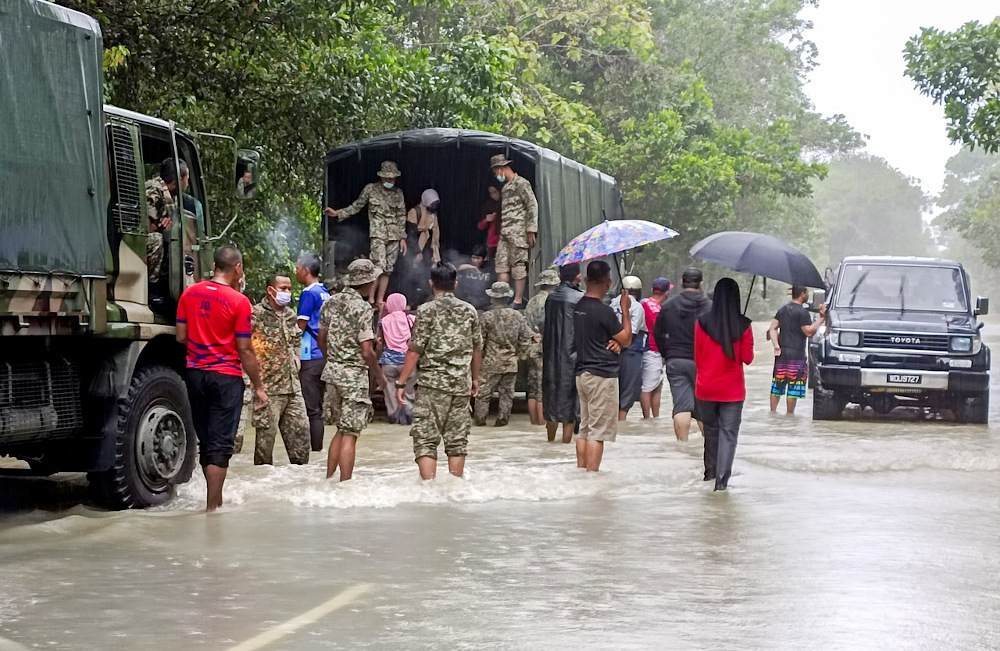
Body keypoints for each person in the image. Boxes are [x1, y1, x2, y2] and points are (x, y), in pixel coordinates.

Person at [176, 246, 267, 512]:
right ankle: (212, 507)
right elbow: (245, 349)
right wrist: (259, 386)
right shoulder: (239, 301)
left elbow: (181, 336)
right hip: (225, 377)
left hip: (194, 374)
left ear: (215, 266)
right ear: (237, 267)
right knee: (221, 443)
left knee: (206, 440)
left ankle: (213, 501)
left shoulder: (189, 293)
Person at [395, 262, 483, 480]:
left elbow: (414, 350)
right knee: (457, 440)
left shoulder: (425, 311)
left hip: (432, 386)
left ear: (431, 283)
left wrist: (401, 383)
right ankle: (454, 487)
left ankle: (429, 491)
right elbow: (477, 348)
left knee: (425, 439)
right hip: (460, 386)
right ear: (455, 283)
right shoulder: (469, 311)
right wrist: (474, 379)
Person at [317, 259, 386, 480]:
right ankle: (345, 485)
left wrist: (333, 360)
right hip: (353, 376)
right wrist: (379, 376)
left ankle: (329, 480)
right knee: (350, 434)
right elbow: (367, 351)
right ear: (368, 282)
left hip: (332, 372)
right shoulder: (363, 308)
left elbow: (322, 338)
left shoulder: (330, 302)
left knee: (340, 429)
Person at [695, 277, 754, 491]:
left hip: (706, 387)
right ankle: (721, 483)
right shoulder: (744, 325)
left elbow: (698, 357)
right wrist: (741, 331)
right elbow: (747, 358)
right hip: (732, 390)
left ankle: (709, 473)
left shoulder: (701, 322)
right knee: (728, 434)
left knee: (711, 431)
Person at [574, 261, 632, 472]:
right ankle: (592, 478)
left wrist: (615, 340)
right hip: (601, 376)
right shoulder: (604, 311)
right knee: (598, 433)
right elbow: (626, 340)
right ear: (609, 283)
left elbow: (604, 335)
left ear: (587, 280)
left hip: (582, 374)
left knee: (585, 429)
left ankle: (582, 472)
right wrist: (625, 309)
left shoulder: (579, 307)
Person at [323, 161, 407, 307]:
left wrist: (402, 237)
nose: (390, 181)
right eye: (387, 178)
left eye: (392, 179)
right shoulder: (371, 189)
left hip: (394, 235)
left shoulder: (398, 193)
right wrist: (338, 213)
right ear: (381, 177)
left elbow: (401, 216)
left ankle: (380, 299)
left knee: (388, 269)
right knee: (377, 266)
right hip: (378, 234)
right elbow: (357, 205)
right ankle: (371, 299)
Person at [250, 273, 311, 466]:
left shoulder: (291, 315)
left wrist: (296, 360)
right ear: (270, 290)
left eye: (289, 289)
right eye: (283, 288)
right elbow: (242, 346)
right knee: (264, 449)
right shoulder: (255, 314)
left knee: (302, 443)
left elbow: (296, 341)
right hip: (268, 389)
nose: (287, 293)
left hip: (293, 389)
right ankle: (263, 488)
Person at [654, 267, 711, 441]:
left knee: (681, 405)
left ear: (681, 283)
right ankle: (708, 447)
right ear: (701, 284)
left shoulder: (669, 305)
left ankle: (682, 447)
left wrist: (667, 353)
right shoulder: (710, 306)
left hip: (676, 359)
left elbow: (657, 332)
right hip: (703, 362)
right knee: (702, 407)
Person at [475, 281, 533, 427]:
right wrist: (521, 355)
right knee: (507, 396)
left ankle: (480, 422)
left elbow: (479, 343)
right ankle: (502, 421)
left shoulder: (486, 317)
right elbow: (526, 337)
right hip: (510, 362)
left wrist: (476, 362)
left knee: (483, 396)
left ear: (493, 298)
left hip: (489, 364)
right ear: (507, 298)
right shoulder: (517, 316)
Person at [768, 285, 827, 414]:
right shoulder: (803, 312)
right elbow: (809, 332)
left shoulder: (782, 309)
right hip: (797, 355)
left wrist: (776, 345)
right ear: (802, 294)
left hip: (782, 353)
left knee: (777, 385)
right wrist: (822, 318)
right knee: (793, 387)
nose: (807, 295)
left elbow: (772, 328)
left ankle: (772, 412)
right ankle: (790, 415)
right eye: (807, 293)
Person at [542, 263, 583, 443]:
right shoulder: (579, 298)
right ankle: (565, 444)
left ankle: (550, 442)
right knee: (570, 402)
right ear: (578, 277)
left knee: (551, 399)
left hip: (551, 355)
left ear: (559, 276)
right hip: (572, 356)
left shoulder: (550, 298)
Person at [490, 154, 538, 307]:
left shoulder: (521, 183)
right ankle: (501, 298)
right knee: (501, 264)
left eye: (496, 172)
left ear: (502, 168)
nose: (496, 176)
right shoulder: (505, 188)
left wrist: (531, 229)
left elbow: (532, 205)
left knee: (518, 265)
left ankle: (517, 300)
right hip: (505, 233)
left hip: (518, 233)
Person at [295, 253, 330, 452]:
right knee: (319, 407)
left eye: (298, 267)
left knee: (312, 410)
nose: (296, 271)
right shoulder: (325, 291)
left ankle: (314, 452)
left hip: (311, 354)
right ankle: (318, 451)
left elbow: (301, 325)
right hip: (324, 354)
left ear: (306, 271)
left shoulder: (308, 293)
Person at [524, 269, 559, 427]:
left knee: (532, 389)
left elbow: (525, 324)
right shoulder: (551, 300)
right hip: (545, 347)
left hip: (531, 347)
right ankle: (541, 425)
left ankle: (533, 424)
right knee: (543, 390)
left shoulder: (532, 301)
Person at [146, 158, 188, 290]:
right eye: (187, 178)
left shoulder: (172, 195)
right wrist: (162, 227)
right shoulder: (153, 190)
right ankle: (151, 289)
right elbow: (146, 228)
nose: (188, 182)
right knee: (157, 240)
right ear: (179, 179)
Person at [611, 275, 648, 421]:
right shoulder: (638, 307)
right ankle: (621, 421)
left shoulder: (612, 304)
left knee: (615, 387)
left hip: (612, 349)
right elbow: (631, 332)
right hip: (632, 351)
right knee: (629, 389)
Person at [379, 293, 417, 424]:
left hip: (388, 363)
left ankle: (394, 418)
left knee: (390, 393)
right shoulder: (411, 319)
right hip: (408, 362)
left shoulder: (383, 321)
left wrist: (382, 312)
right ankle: (408, 418)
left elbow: (380, 341)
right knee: (408, 392)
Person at [639, 278, 671, 418]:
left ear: (652, 290)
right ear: (666, 293)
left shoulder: (643, 303)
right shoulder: (661, 311)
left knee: (655, 385)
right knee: (649, 387)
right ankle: (648, 417)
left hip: (646, 348)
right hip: (654, 349)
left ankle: (653, 418)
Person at [407, 189, 441, 264]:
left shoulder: (433, 215)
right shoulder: (415, 212)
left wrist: (435, 252)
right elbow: (411, 235)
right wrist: (416, 252)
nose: (434, 206)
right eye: (432, 204)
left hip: (428, 250)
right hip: (415, 248)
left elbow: (435, 234)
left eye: (436, 204)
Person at [455, 245, 492, 311]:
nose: (475, 261)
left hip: (482, 301)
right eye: (473, 258)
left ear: (484, 258)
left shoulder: (489, 267)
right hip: (466, 299)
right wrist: (470, 267)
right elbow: (454, 268)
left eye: (478, 258)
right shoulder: (466, 262)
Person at [478, 186, 502, 261]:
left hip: (507, 240)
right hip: (493, 243)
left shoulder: (507, 203)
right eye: (491, 193)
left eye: (495, 192)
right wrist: (486, 220)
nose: (493, 195)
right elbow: (480, 226)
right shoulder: (489, 205)